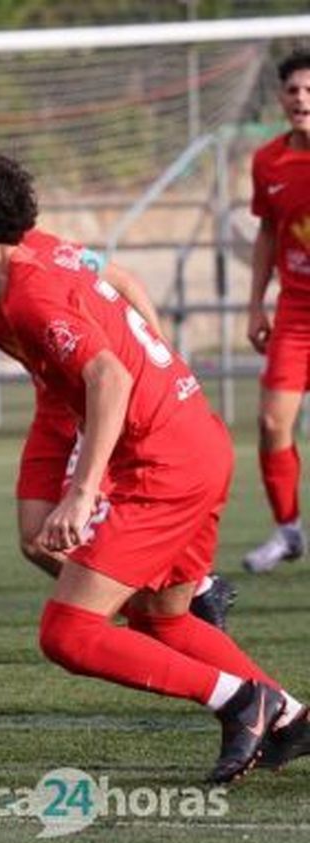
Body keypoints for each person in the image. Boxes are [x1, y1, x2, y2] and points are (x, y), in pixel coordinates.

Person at [0, 144, 309, 783]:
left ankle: (242, 701)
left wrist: (82, 492)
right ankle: (287, 714)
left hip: (162, 463)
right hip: (195, 441)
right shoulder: (40, 260)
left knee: (66, 632)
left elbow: (110, 379)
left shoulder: (29, 294)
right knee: (160, 618)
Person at [0, 227, 237, 628]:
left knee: (89, 526)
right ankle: (175, 605)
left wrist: (163, 362)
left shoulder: (38, 252)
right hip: (55, 400)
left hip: (104, 398)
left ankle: (159, 614)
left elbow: (123, 283)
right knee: (35, 539)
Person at [243, 49, 310, 574]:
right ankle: (288, 531)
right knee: (270, 423)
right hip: (295, 315)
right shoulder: (268, 161)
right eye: (294, 91)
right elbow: (267, 233)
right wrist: (254, 306)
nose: (302, 99)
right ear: (281, 98)